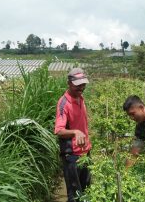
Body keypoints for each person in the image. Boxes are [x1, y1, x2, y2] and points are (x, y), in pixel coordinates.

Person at [54, 68, 91, 202]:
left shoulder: (80, 98)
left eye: (83, 84)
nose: (81, 87)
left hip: (85, 151)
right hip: (72, 155)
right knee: (75, 194)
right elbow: (59, 130)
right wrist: (75, 132)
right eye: (78, 85)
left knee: (86, 189)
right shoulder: (64, 103)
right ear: (69, 83)